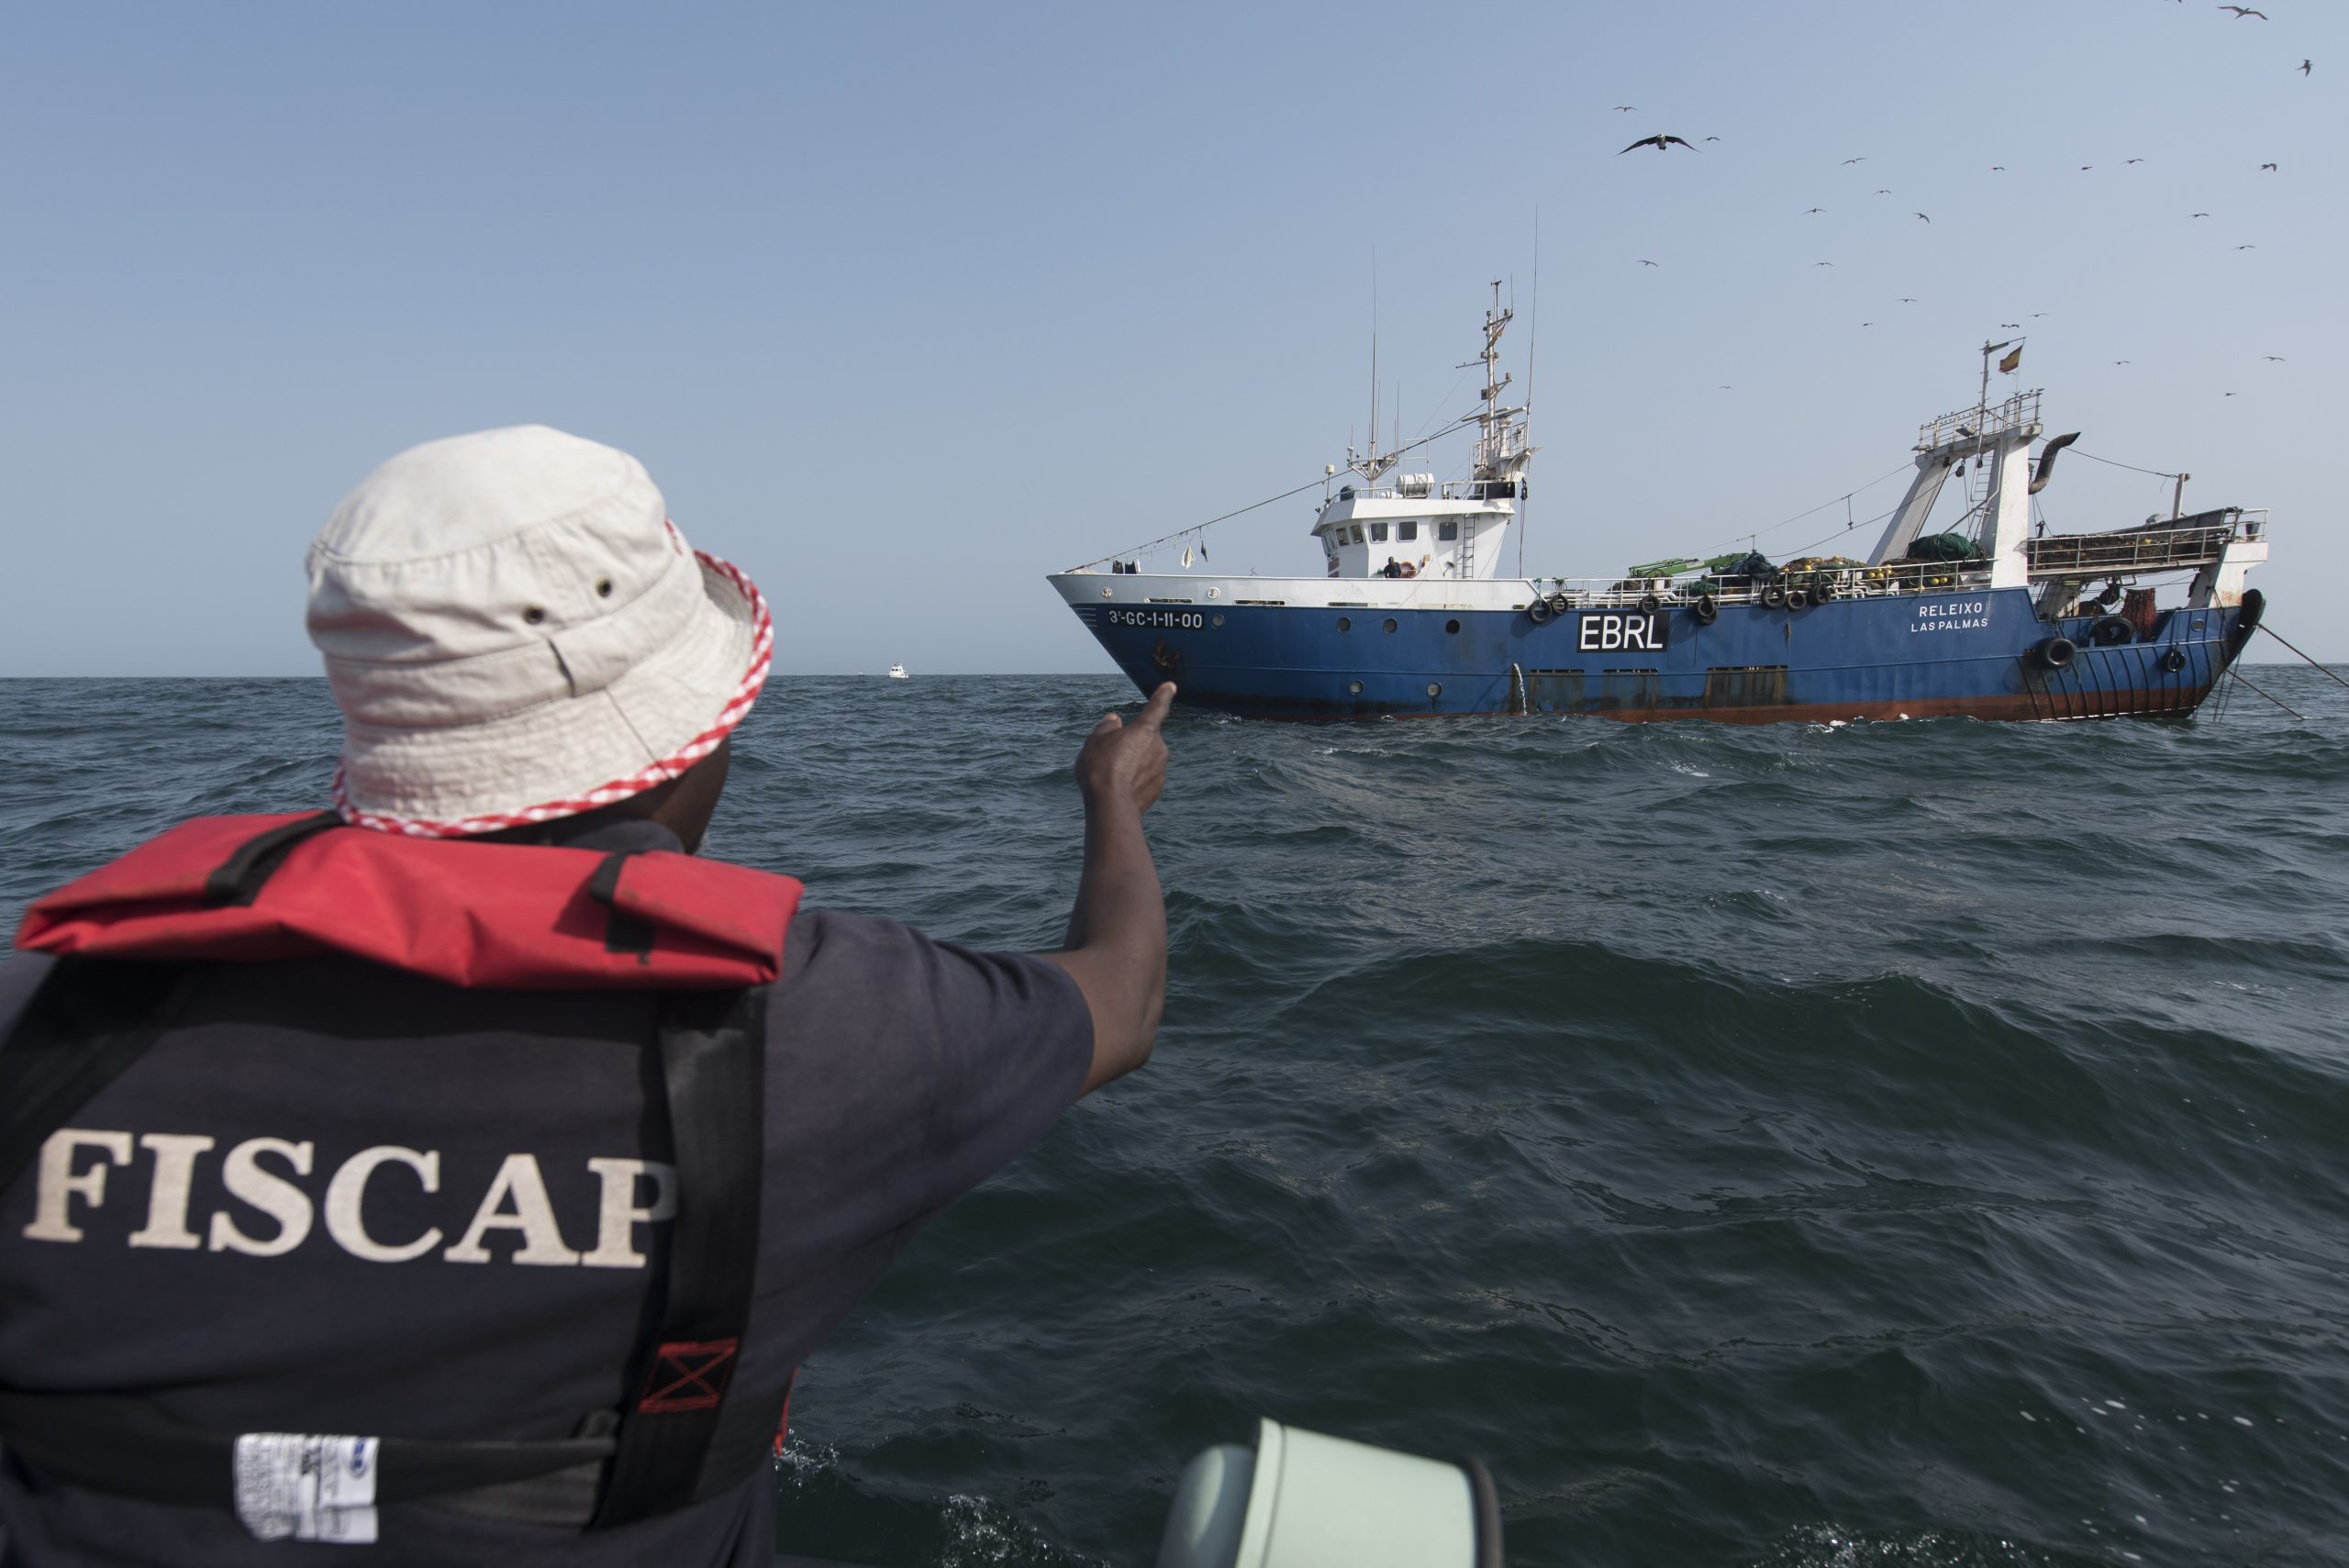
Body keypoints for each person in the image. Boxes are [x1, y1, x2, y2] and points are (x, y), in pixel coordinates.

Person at [0, 426, 1175, 1565]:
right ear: (686, 739)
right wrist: (1112, 798)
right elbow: (1116, 1002)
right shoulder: (826, 1034)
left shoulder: (39, 1017)